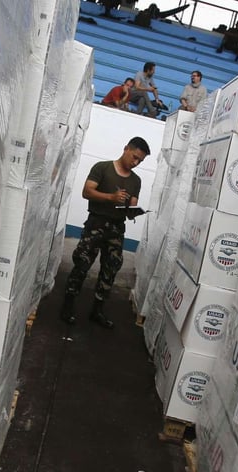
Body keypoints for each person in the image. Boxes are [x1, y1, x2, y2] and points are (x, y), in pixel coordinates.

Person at [60, 137, 151, 329]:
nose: (135, 163)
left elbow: (132, 203)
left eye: (140, 161)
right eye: (134, 157)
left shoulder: (136, 180)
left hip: (117, 228)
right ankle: (68, 305)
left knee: (111, 268)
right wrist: (111, 197)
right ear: (126, 148)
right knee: (82, 263)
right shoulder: (102, 168)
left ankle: (97, 310)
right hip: (96, 223)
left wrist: (132, 209)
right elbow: (87, 192)